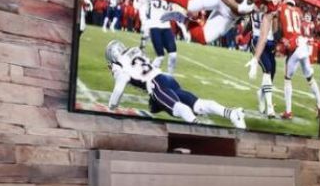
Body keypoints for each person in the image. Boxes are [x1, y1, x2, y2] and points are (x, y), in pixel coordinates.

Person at [104, 40, 245, 129]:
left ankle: (199, 129)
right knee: (198, 105)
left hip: (155, 84)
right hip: (166, 78)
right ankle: (232, 113)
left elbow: (119, 87)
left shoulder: (119, 64)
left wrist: (111, 107)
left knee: (179, 108)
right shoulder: (135, 50)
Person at [135, 0, 181, 71]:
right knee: (160, 56)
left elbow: (179, 4)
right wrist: (144, 20)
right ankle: (149, 75)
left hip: (166, 25)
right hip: (154, 24)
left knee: (173, 55)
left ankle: (170, 77)